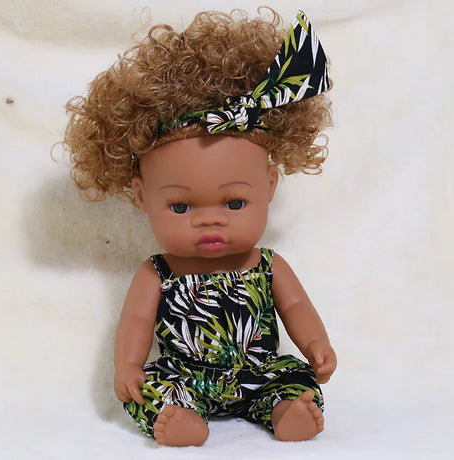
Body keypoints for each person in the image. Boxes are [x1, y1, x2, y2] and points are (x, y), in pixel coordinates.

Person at [62, 7, 337, 446]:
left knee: (296, 378)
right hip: (185, 377)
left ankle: (285, 409)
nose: (210, 219)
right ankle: (180, 419)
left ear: (269, 185)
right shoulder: (157, 272)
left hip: (259, 373)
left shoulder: (267, 265)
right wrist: (128, 366)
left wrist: (315, 344)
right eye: (180, 206)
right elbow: (136, 320)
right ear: (141, 197)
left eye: (234, 202)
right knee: (147, 389)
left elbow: (297, 306)